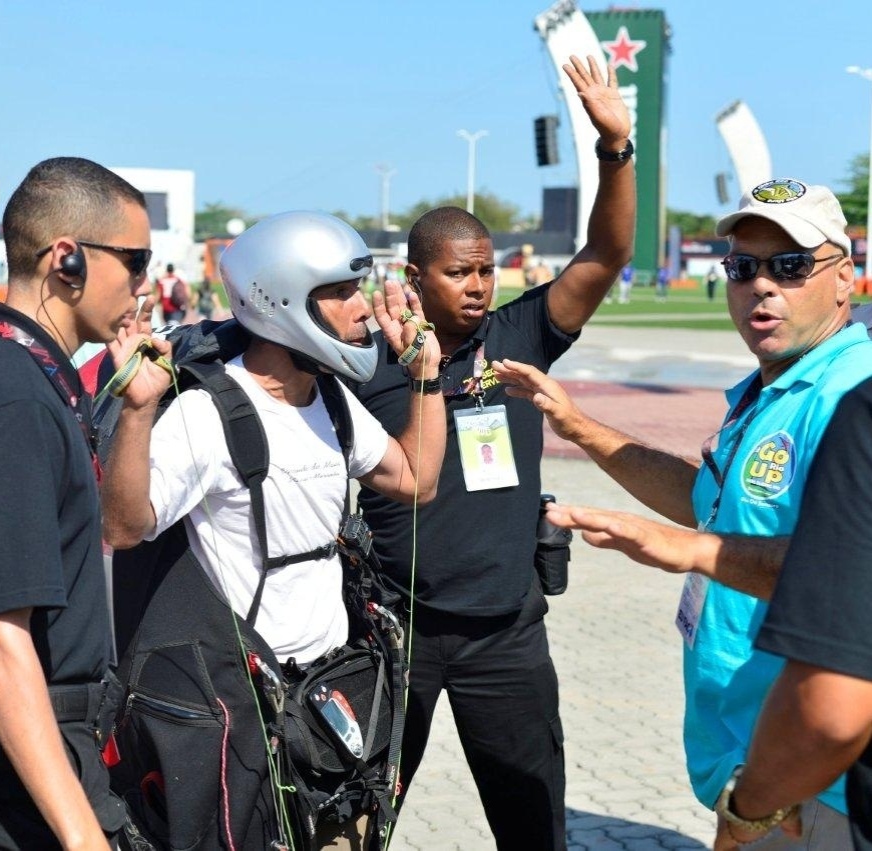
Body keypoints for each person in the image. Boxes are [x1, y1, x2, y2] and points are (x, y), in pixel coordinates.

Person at [501, 177, 872, 849]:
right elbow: (710, 500)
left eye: (789, 266)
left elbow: (845, 576)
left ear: (845, 278)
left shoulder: (849, 394)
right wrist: (579, 426)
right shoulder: (776, 385)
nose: (762, 285)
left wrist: (688, 549)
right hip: (755, 754)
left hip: (814, 780)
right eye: (743, 266)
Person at [352, 54, 636, 850]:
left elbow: (605, 254)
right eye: (458, 273)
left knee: (532, 827)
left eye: (486, 270)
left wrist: (615, 150)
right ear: (415, 276)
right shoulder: (368, 360)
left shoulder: (519, 338)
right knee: (356, 823)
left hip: (505, 635)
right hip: (395, 633)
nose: (478, 286)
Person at [101, 210, 445, 847]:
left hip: (332, 701)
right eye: (339, 293)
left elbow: (416, 481)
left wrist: (426, 379)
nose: (362, 309)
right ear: (280, 301)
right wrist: (138, 412)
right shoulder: (209, 415)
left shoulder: (333, 401)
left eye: (357, 289)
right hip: (248, 717)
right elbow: (124, 527)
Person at [0, 156, 153, 849]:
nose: (144, 284)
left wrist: (136, 413)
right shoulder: (10, 399)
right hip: (20, 768)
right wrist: (82, 835)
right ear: (66, 259)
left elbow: (112, 529)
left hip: (21, 746)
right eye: (135, 261)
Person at [708, 380, 872, 851]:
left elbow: (829, 715)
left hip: (821, 791)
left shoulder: (856, 403)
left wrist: (748, 813)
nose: (762, 298)